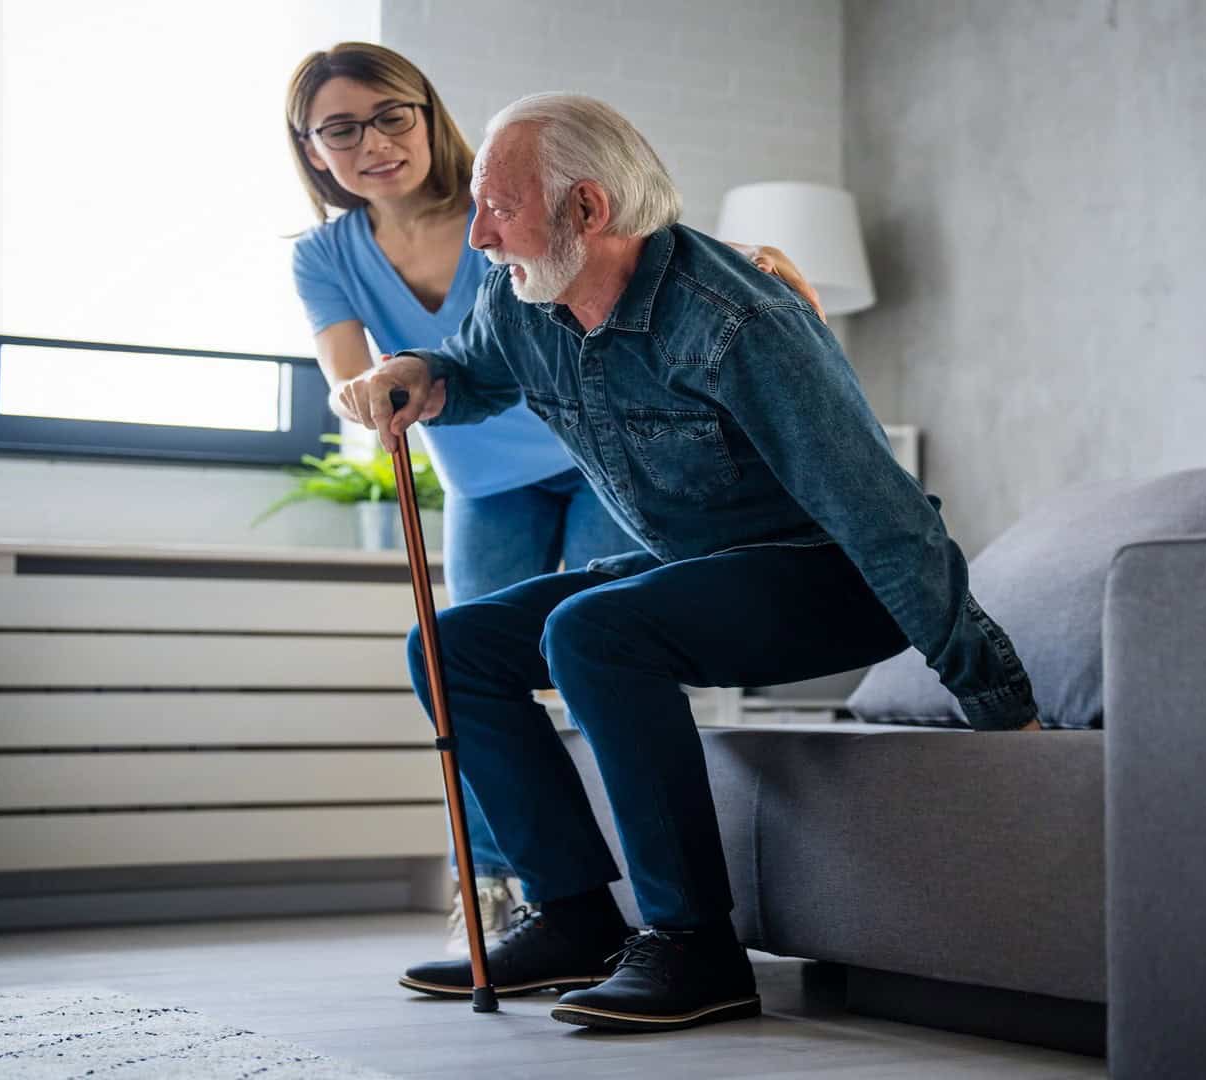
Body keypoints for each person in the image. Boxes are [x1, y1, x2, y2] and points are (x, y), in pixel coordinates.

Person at [338, 91, 1043, 1034]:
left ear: (586, 211)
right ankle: (575, 918)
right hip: (695, 565)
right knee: (450, 647)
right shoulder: (525, 301)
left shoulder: (738, 322)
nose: (478, 236)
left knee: (593, 631)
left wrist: (1003, 707)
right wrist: (415, 376)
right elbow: (468, 371)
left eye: (498, 208)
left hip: (828, 574)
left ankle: (697, 950)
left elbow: (887, 523)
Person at [283, 43, 824, 958]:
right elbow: (356, 376)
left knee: (605, 652)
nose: (373, 142)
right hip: (482, 483)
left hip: (600, 455)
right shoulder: (325, 256)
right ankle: (518, 899)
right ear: (312, 149)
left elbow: (619, 246)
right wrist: (362, 392)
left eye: (391, 115)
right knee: (465, 673)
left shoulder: (494, 203)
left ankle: (661, 899)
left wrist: (739, 263)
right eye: (341, 129)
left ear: (427, 114)